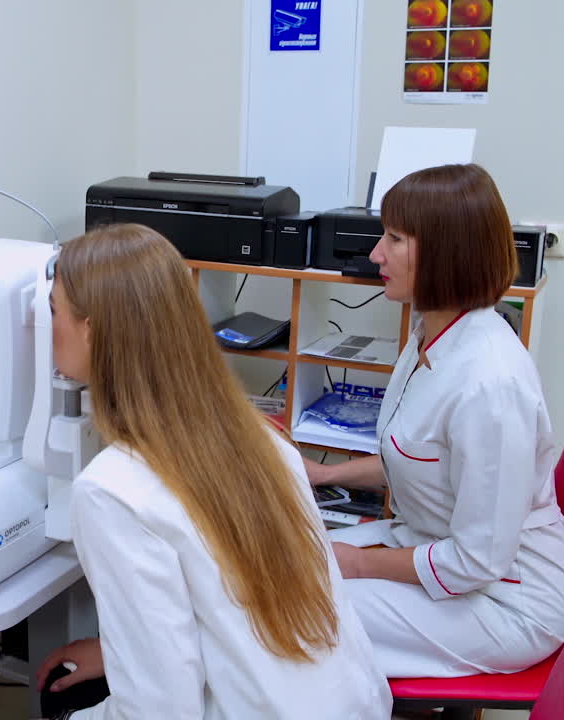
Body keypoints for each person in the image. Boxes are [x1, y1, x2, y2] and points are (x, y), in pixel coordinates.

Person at [33, 223, 390, 719]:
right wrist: (118, 653)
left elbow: (158, 712)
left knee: (61, 703)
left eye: (53, 311)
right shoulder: (259, 437)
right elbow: (228, 602)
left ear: (93, 329)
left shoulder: (110, 492)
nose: (46, 328)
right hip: (357, 705)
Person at [305, 164, 564, 678]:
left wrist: (359, 563)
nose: (375, 255)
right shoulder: (429, 335)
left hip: (507, 601)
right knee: (284, 568)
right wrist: (324, 475)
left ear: (445, 253)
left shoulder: (491, 386)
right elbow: (423, 461)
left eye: (394, 239)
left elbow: (477, 561)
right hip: (437, 550)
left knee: (297, 615)